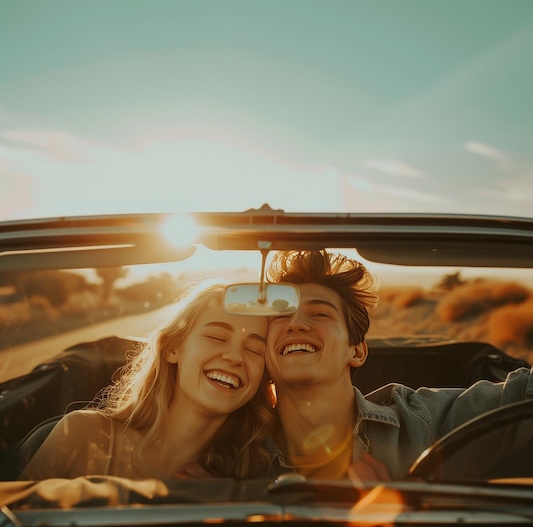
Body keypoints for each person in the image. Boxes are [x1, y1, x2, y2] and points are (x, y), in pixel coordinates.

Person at [264, 249, 533, 481]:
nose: (295, 323)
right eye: (280, 316)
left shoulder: (422, 423)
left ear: (357, 351)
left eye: (319, 313)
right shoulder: (236, 449)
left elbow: (524, 393)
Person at [20, 282, 273, 480]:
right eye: (217, 337)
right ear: (172, 349)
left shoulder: (251, 477)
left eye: (254, 350)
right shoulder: (81, 435)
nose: (234, 357)